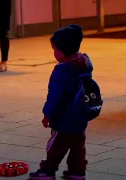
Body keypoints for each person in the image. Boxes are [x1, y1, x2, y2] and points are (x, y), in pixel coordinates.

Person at [29, 25, 93, 179]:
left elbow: (55, 96)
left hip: (64, 116)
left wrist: (47, 114)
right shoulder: (85, 64)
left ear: (63, 50)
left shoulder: (62, 70)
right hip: (81, 113)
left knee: (56, 145)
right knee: (78, 144)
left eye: (55, 50)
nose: (54, 53)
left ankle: (47, 170)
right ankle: (77, 171)